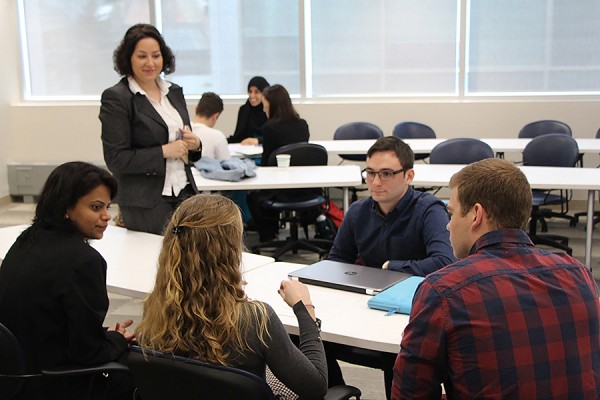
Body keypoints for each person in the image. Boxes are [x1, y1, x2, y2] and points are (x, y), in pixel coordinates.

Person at [392, 158, 600, 399]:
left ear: (476, 215)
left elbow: (410, 393)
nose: (448, 226)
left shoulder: (443, 289)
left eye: (452, 213)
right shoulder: (579, 274)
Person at [134, 194, 328, 399]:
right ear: (228, 252)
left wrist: (223, 286)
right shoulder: (255, 319)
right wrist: (304, 307)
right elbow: (316, 387)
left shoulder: (156, 310)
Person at [325, 136, 455, 398]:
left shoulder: (429, 210)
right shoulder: (359, 211)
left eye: (386, 174)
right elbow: (336, 261)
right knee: (309, 340)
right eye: (370, 173)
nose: (375, 182)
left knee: (396, 363)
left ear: (409, 175)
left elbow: (445, 262)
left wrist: (389, 267)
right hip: (365, 307)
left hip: (411, 315)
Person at [0, 162, 135, 400]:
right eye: (96, 207)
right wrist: (116, 339)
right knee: (141, 373)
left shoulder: (27, 240)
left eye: (108, 207)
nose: (106, 216)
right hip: (51, 383)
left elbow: (48, 317)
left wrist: (103, 335)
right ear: (66, 208)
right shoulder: (84, 261)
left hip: (14, 375)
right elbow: (88, 354)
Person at [100, 23, 202, 235]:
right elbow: (115, 159)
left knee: (190, 259)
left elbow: (183, 143)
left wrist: (195, 144)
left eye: (156, 55)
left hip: (184, 191)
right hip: (145, 199)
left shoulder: (173, 91)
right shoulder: (117, 97)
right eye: (142, 56)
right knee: (156, 261)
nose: (150, 63)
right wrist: (164, 151)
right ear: (128, 58)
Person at [248, 84, 311, 242]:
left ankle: (268, 237)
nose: (263, 109)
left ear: (273, 106)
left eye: (265, 105)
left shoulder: (269, 128)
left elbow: (266, 164)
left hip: (279, 190)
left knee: (252, 194)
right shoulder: (302, 124)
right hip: (304, 188)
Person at [227, 76, 270, 145]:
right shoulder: (244, 110)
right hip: (246, 151)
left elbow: (276, 136)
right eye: (250, 92)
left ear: (264, 93)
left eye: (257, 92)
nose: (252, 96)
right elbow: (238, 137)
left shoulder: (269, 110)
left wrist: (258, 140)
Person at [191, 92, 230, 160]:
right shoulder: (218, 136)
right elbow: (227, 164)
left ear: (196, 109)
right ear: (216, 116)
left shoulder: (182, 130)